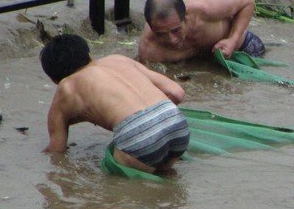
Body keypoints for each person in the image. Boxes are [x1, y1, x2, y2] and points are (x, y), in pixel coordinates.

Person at [40, 34, 190, 176]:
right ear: (89, 55)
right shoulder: (117, 59)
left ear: (54, 79)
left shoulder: (66, 87)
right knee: (167, 181)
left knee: (121, 194)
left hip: (138, 138)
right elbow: (176, 92)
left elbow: (57, 150)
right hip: (176, 124)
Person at [137, 0, 265, 64]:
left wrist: (233, 40)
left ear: (186, 15)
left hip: (243, 48)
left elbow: (247, 2)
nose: (172, 40)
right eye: (161, 34)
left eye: (176, 30)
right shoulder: (149, 50)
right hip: (202, 64)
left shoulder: (204, 8)